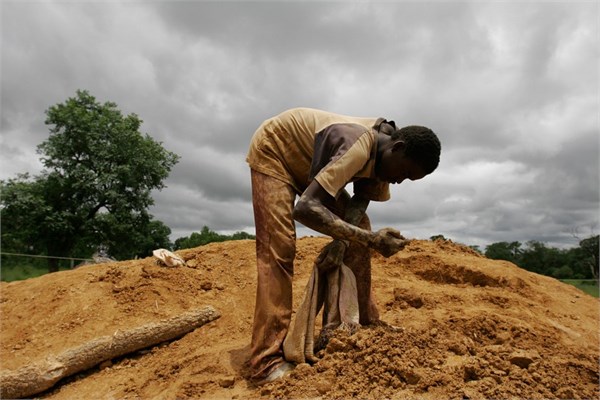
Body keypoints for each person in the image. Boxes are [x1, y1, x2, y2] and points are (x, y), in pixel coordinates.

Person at [245, 107, 441, 384]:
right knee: (278, 249)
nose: (400, 181)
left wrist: (342, 241)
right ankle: (265, 362)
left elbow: (360, 203)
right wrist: (371, 241)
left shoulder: (384, 159)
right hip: (277, 150)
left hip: (312, 168)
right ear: (397, 148)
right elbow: (306, 208)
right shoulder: (358, 146)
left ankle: (364, 322)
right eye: (406, 173)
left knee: (360, 226)